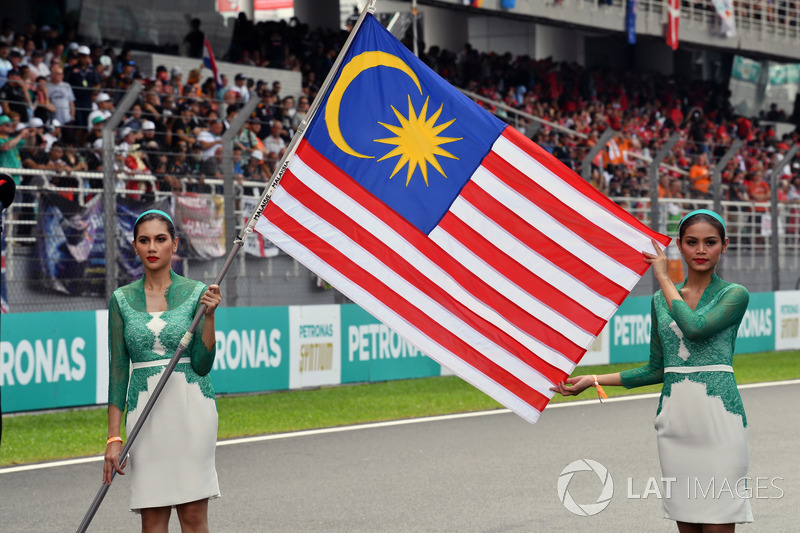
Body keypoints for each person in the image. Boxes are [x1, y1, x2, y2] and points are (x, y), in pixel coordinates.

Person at [552, 209, 753, 532]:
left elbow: (695, 327)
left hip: (720, 420)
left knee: (717, 524)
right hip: (675, 422)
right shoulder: (661, 301)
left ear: (724, 246)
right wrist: (592, 380)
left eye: (710, 242)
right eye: (692, 242)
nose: (701, 250)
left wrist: (662, 276)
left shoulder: (734, 294)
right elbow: (658, 369)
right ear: (679, 245)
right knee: (687, 525)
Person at [103, 209, 221, 531]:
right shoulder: (120, 299)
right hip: (144, 416)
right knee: (152, 520)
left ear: (174, 244)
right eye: (144, 240)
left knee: (193, 517)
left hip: (192, 410)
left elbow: (202, 364)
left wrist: (208, 317)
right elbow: (117, 373)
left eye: (160, 239)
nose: (152, 247)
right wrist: (114, 437)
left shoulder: (198, 292)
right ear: (135, 246)